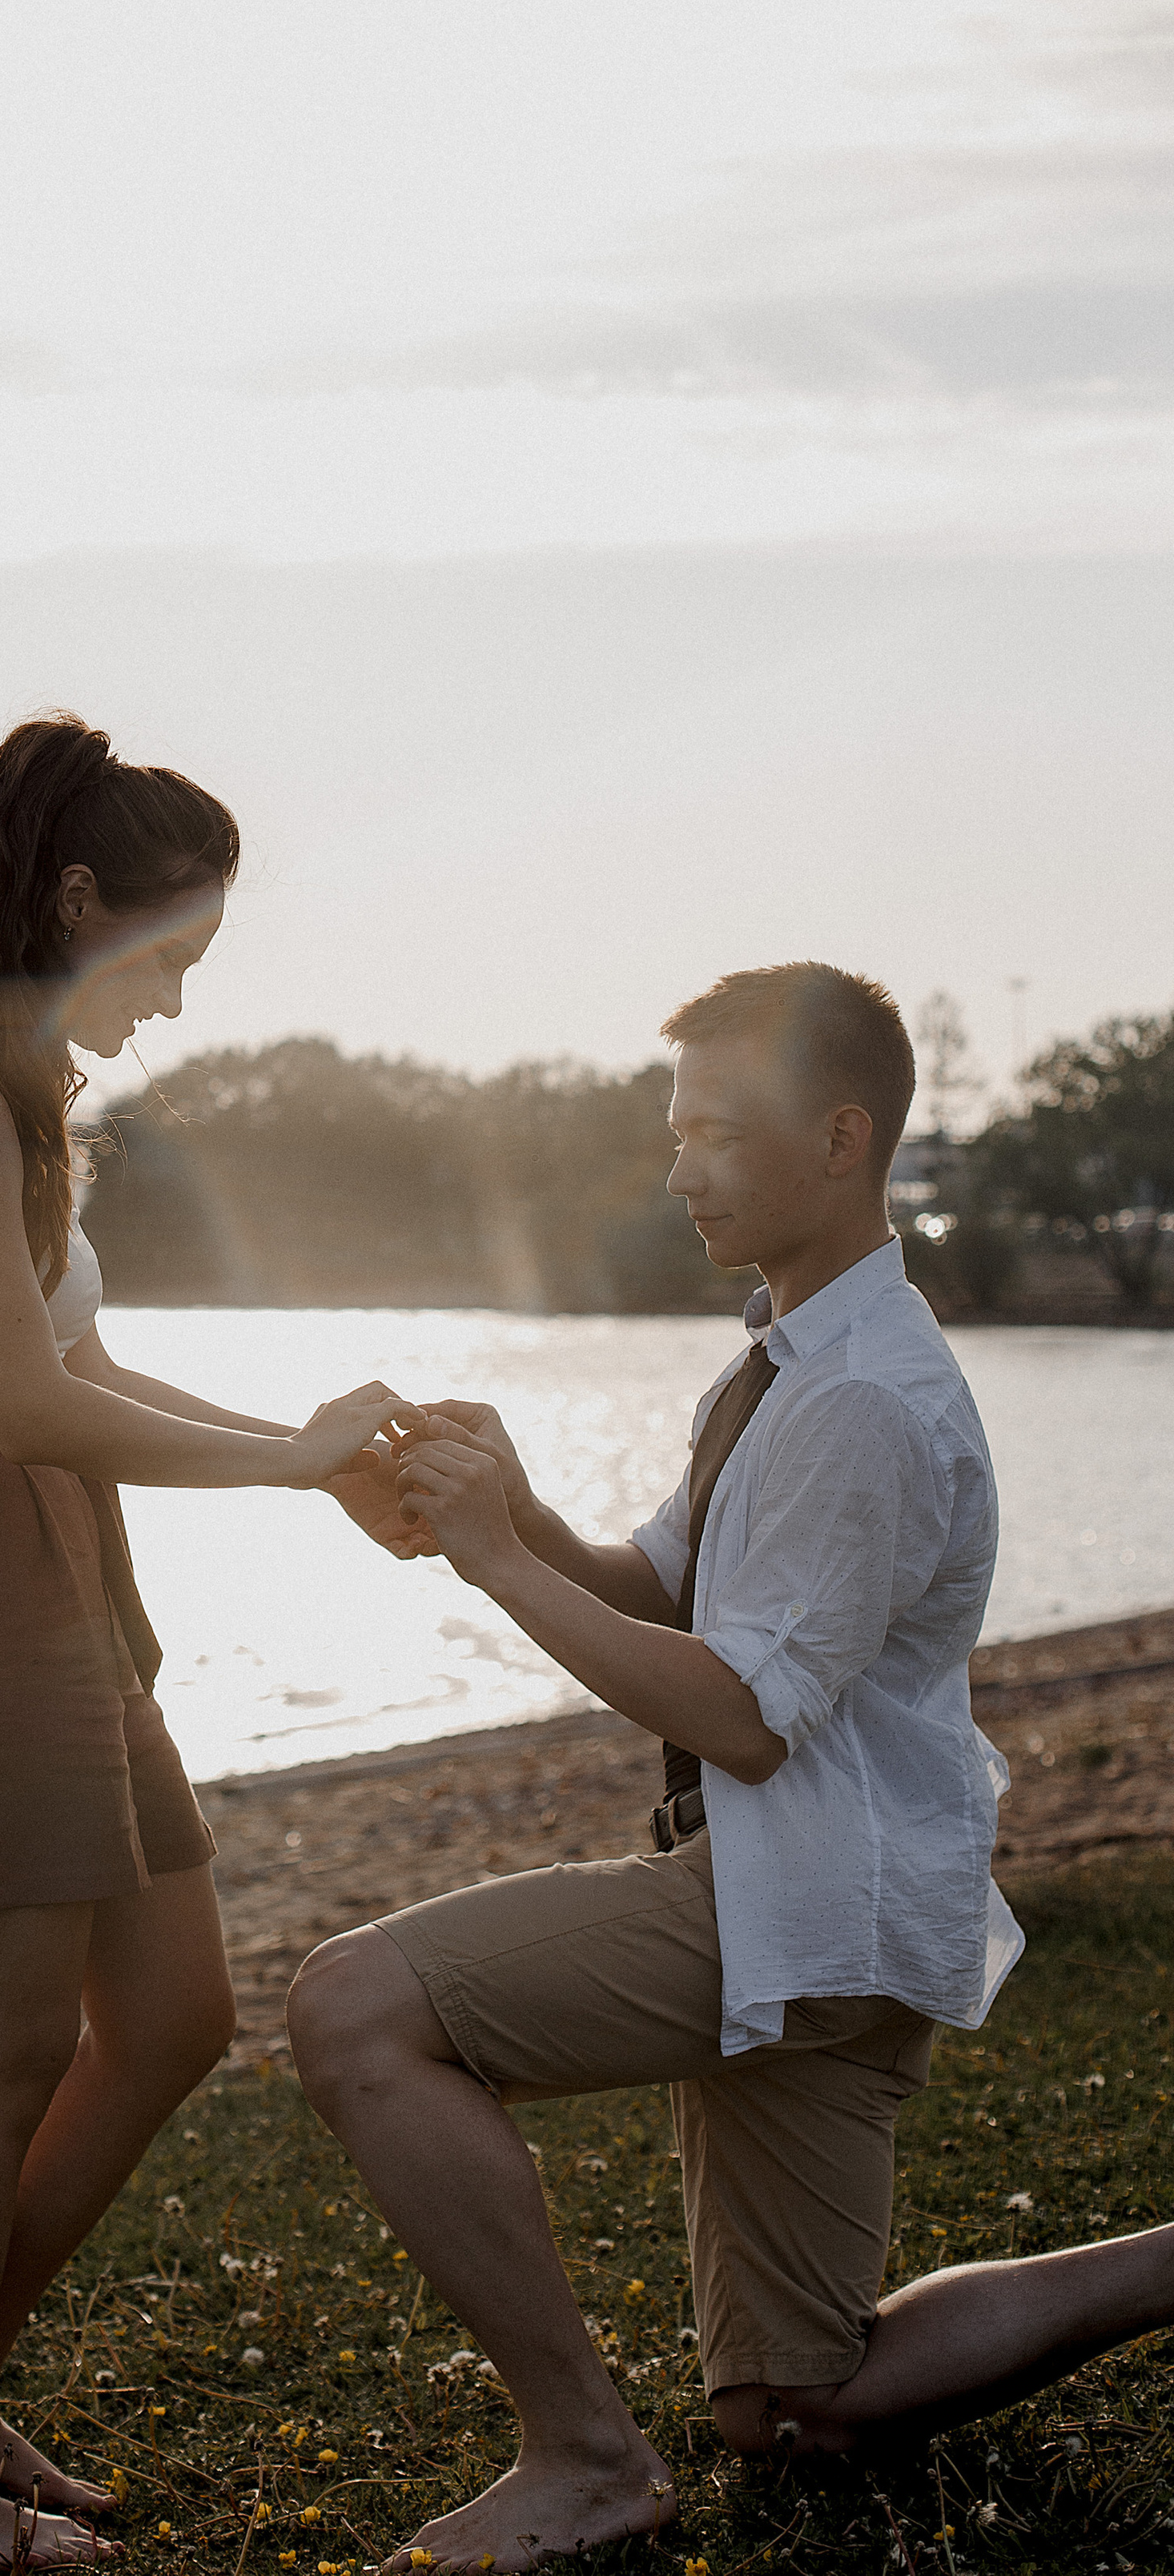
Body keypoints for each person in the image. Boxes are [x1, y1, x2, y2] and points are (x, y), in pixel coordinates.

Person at [292, 963, 1174, 2574]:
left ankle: (582, 2459)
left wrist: (498, 1561)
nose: (681, 1168)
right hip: (819, 1909)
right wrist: (500, 1506)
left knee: (354, 2005)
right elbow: (662, 1591)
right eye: (674, 1133)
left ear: (841, 1138)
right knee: (798, 2408)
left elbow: (746, 1717)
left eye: (716, 1132)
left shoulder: (862, 1397)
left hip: (807, 1889)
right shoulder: (785, 1360)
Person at [0, 712, 414, 2574]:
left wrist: (304, 1460)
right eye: (166, 957)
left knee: (168, 2016)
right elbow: (15, 1407)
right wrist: (289, 1463)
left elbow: (80, 1369)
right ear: (78, 902)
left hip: (65, 1575)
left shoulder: (20, 1105)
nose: (170, 1002)